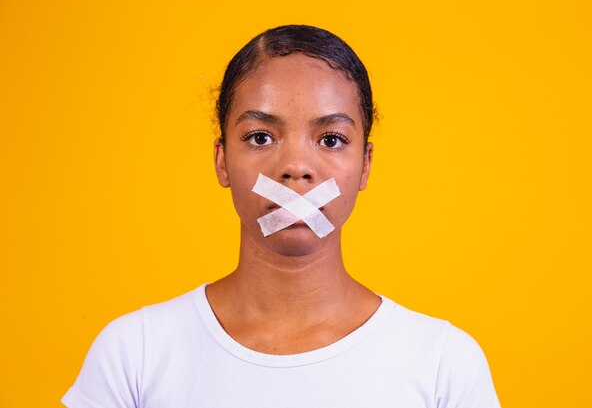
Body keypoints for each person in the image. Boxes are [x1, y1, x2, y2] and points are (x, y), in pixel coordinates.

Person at [62, 24, 500, 408]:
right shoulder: (134, 354)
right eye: (259, 136)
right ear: (221, 161)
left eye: (330, 139)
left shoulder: (443, 363)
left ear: (365, 165)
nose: (296, 166)